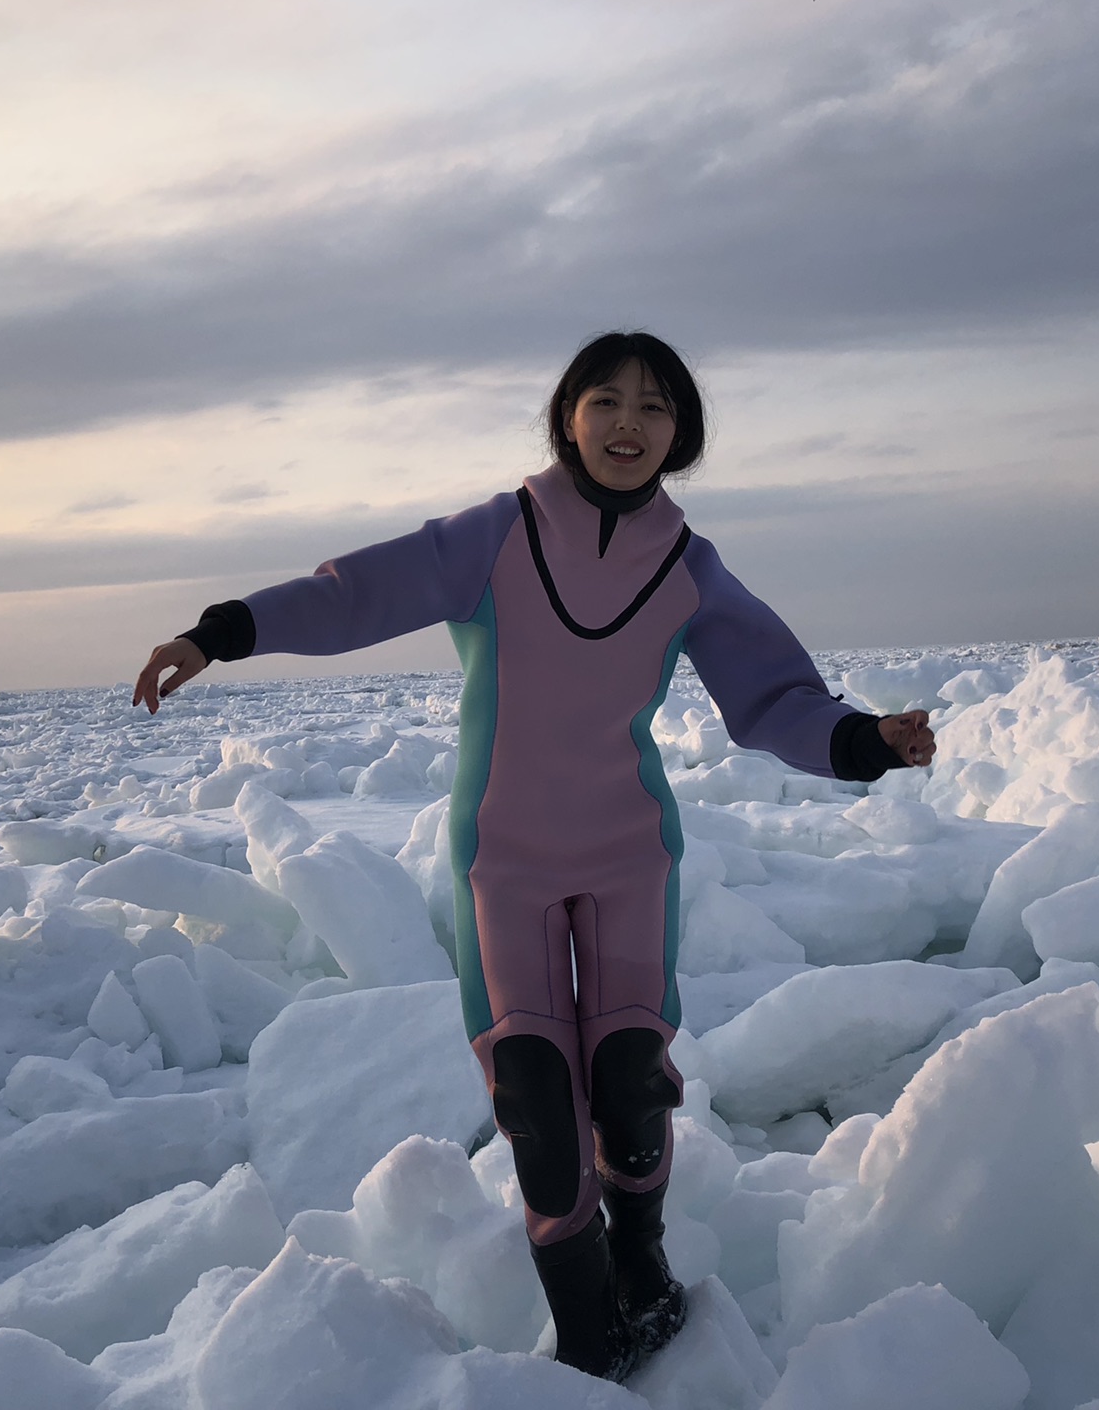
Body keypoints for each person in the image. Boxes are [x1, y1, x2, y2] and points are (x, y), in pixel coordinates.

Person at [133, 331, 936, 1380]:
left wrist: (860, 742)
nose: (629, 424)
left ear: (680, 434)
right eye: (607, 401)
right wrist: (222, 631)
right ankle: (589, 1334)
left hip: (627, 854)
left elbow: (771, 692)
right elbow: (354, 593)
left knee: (631, 1085)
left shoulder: (689, 568)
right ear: (568, 416)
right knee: (536, 1100)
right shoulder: (496, 537)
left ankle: (642, 1263)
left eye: (656, 408)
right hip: (502, 862)